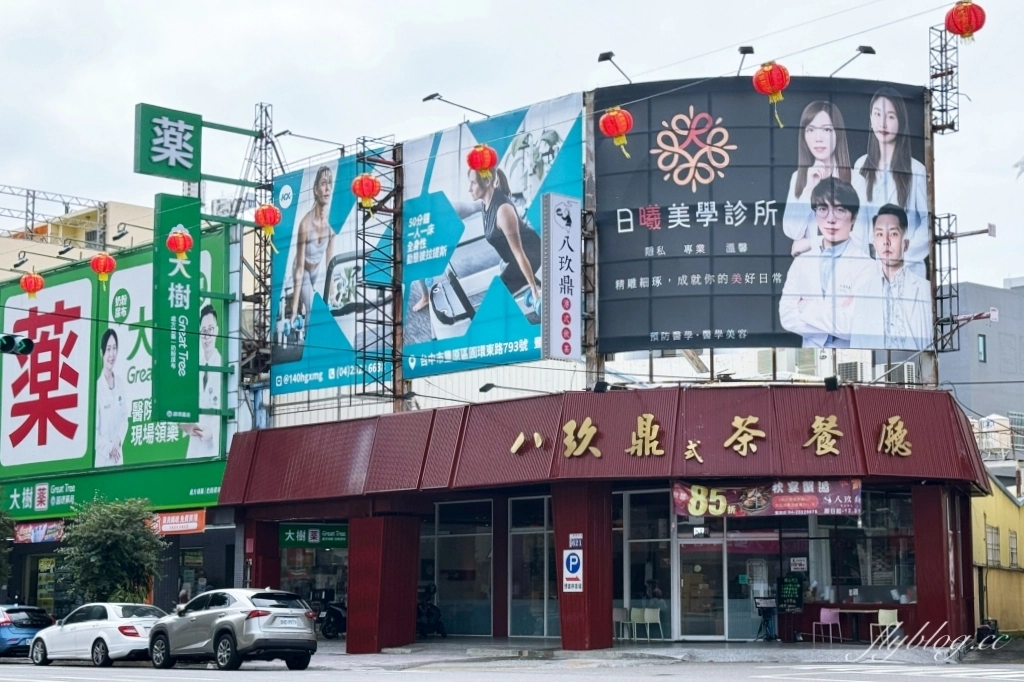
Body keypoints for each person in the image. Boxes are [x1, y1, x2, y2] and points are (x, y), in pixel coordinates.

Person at [410, 168, 541, 313]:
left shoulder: (503, 211)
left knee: (491, 306)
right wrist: (438, 213)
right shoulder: (485, 202)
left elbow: (519, 253)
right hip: (514, 257)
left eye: (473, 183)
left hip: (532, 256)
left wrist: (534, 291)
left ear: (487, 181)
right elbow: (464, 208)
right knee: (494, 297)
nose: (469, 188)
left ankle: (531, 284)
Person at [779, 178, 875, 348]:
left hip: (849, 355)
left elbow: (852, 326)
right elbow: (786, 317)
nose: (830, 219)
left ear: (853, 217)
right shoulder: (801, 262)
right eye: (823, 209)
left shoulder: (867, 267)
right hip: (809, 356)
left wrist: (804, 306)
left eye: (839, 210)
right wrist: (835, 317)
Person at [851, 87, 928, 276]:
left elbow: (929, 223)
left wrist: (902, 255)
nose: (883, 123)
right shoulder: (861, 166)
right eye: (877, 114)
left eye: (890, 116)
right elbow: (857, 222)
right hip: (869, 270)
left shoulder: (916, 170)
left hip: (906, 267)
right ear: (870, 119)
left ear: (900, 122)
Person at [850, 205, 933, 350]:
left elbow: (932, 344)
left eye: (893, 234)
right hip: (878, 363)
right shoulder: (863, 294)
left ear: (906, 243)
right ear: (874, 243)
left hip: (916, 362)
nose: (886, 241)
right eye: (880, 234)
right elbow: (857, 346)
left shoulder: (925, 290)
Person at [782, 102, 853, 257]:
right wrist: (808, 190)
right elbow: (792, 231)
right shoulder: (799, 177)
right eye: (811, 130)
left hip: (846, 268)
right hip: (809, 268)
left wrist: (809, 243)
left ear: (838, 133)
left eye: (826, 130)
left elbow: (859, 238)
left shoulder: (856, 180)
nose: (818, 138)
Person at [289, 165, 335, 325]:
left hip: (316, 271)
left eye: (330, 183)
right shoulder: (305, 224)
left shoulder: (331, 226)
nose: (327, 188)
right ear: (316, 190)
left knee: (311, 305)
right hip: (301, 269)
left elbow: (330, 263)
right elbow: (299, 269)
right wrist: (294, 308)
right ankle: (308, 340)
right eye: (323, 183)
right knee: (311, 308)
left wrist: (333, 295)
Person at [179, 305, 221, 458]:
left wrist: (212, 432)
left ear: (217, 331)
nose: (206, 335)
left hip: (214, 448)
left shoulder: (223, 367)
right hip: (194, 447)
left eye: (210, 329)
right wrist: (184, 424)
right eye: (203, 331)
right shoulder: (194, 368)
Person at [95, 329, 128, 467]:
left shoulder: (120, 383)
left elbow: (124, 418)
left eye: (114, 348)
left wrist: (118, 439)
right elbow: (93, 433)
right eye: (108, 349)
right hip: (103, 459)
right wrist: (109, 448)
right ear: (102, 353)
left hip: (118, 456)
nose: (112, 354)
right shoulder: (97, 388)